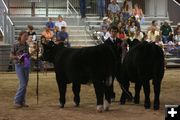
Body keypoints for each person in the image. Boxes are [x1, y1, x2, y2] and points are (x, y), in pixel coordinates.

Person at [10, 31, 30, 108]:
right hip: (19, 65)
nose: (26, 37)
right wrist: (17, 57)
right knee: (23, 83)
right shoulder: (15, 44)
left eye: (27, 36)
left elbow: (27, 55)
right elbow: (11, 55)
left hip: (26, 65)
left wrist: (32, 54)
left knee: (25, 84)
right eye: (25, 36)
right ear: (20, 36)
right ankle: (17, 101)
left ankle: (22, 101)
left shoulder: (26, 45)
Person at [104, 26, 123, 101]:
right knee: (110, 81)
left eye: (115, 31)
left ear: (117, 32)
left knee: (121, 80)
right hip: (110, 65)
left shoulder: (120, 41)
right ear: (110, 32)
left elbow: (122, 52)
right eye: (112, 31)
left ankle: (125, 94)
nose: (114, 33)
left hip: (118, 65)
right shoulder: (106, 42)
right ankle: (111, 95)